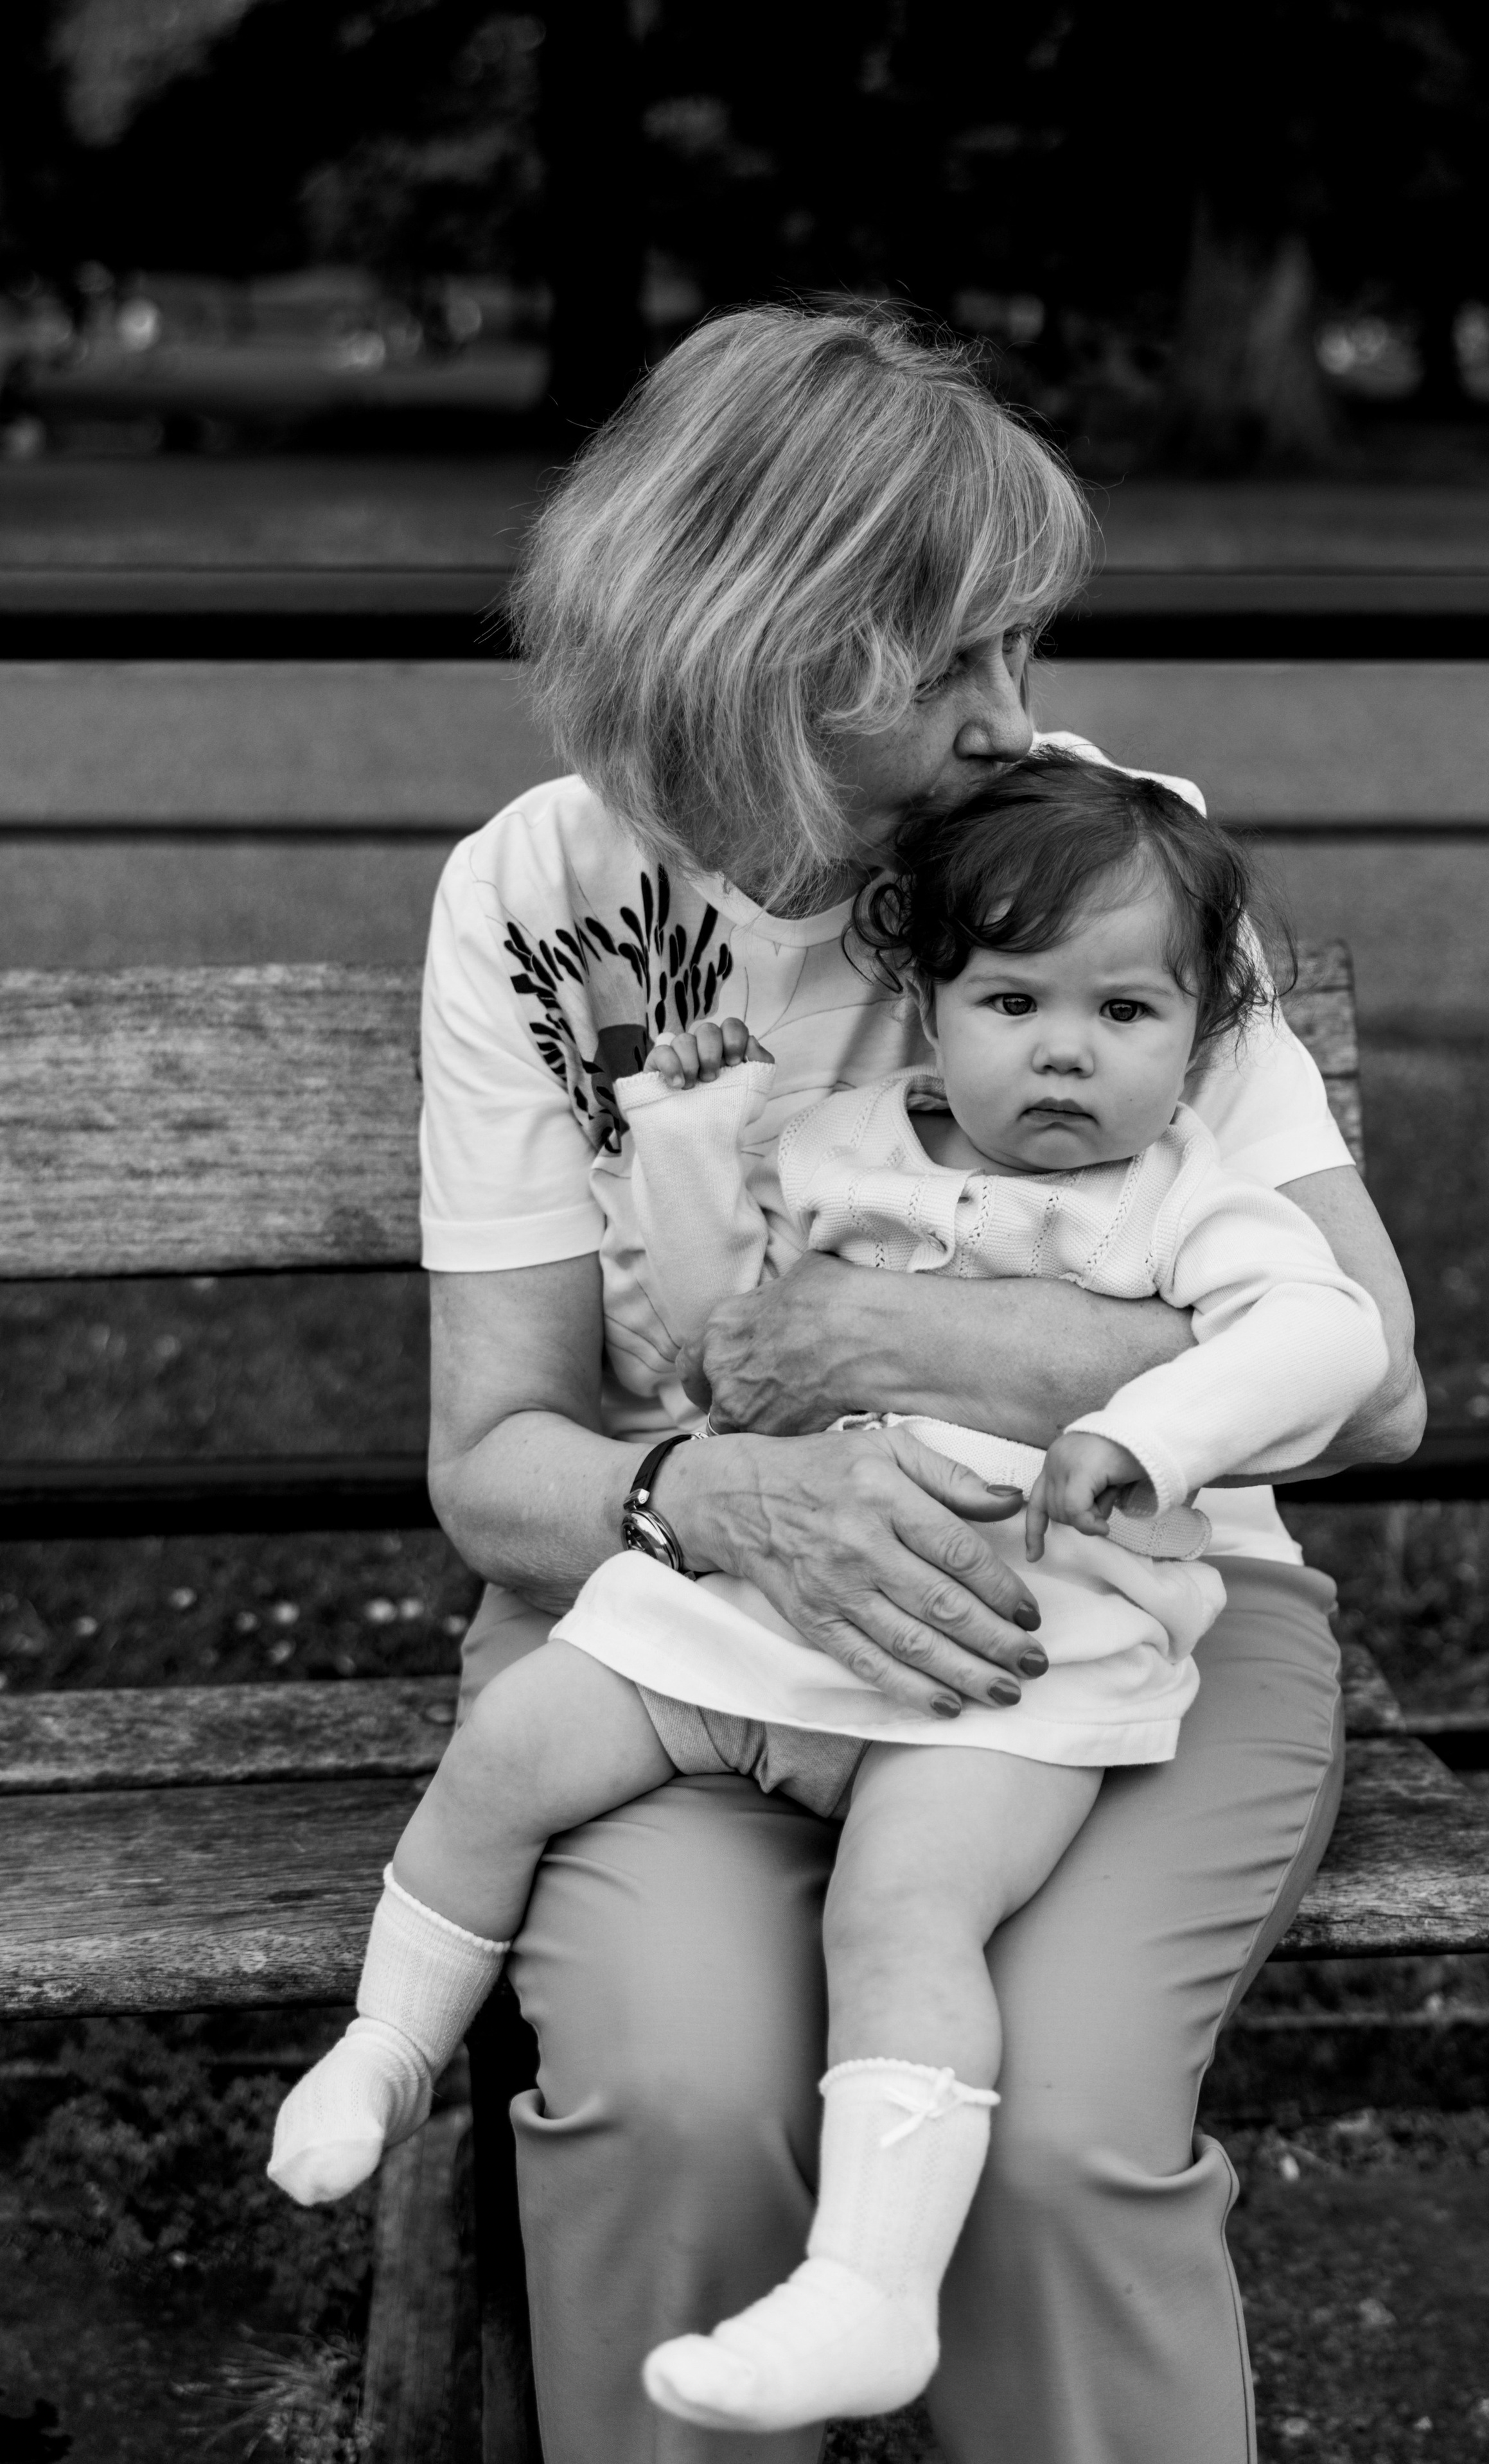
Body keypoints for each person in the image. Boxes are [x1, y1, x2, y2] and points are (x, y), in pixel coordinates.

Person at [349, 304, 1425, 2463]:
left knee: (1045, 2138)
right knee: (677, 2096)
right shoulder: (535, 906)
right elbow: (498, 1465)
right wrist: (721, 1502)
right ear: (761, 647)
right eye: (953, 664)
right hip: (684, 1631)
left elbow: (1369, 1375)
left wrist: (898, 1341)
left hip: (1113, 1623)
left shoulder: (1092, 855)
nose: (1011, 721)